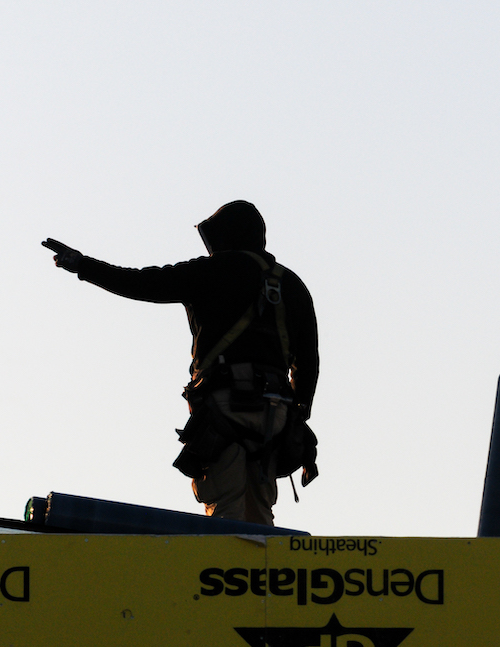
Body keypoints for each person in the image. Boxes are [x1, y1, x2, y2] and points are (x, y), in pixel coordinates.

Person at [44, 200, 319, 527]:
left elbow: (141, 283)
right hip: (276, 417)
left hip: (225, 408)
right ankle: (260, 574)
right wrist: (299, 415)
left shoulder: (212, 270)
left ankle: (224, 574)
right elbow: (308, 361)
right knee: (260, 512)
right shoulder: (292, 285)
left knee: (225, 511)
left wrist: (83, 266)